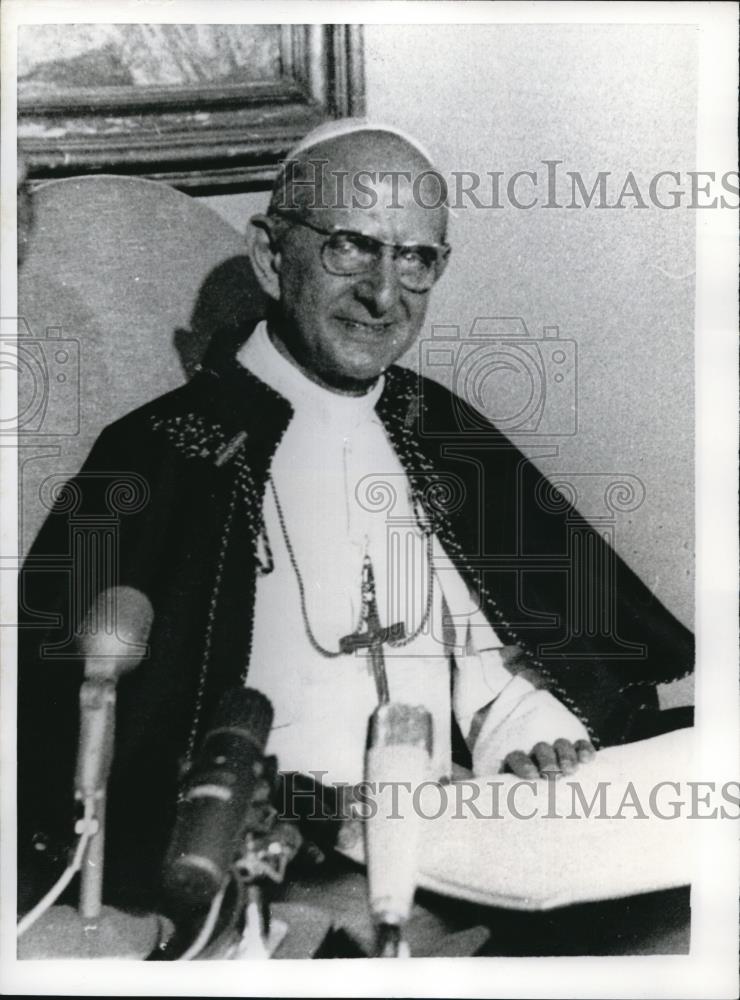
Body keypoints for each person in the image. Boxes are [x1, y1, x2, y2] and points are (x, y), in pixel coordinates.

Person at [17, 119, 693, 918]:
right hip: (290, 845)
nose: (384, 294)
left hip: (457, 820)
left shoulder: (435, 425)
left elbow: (496, 649)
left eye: (416, 258)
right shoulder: (159, 451)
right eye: (352, 246)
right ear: (273, 255)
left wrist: (527, 729)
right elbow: (93, 722)